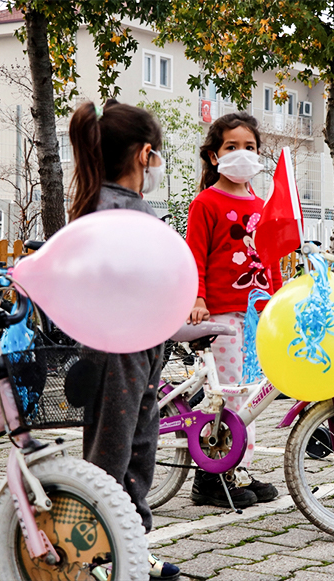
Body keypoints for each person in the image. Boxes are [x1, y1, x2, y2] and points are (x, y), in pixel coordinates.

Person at [69, 99, 180, 581]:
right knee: (110, 459)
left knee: (139, 449)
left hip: (143, 350)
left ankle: (128, 543)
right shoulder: (111, 210)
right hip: (117, 352)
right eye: (156, 155)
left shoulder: (124, 207)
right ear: (144, 154)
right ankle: (94, 552)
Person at [185, 112, 282, 508]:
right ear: (213, 156)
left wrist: (277, 300)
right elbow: (195, 254)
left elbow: (272, 259)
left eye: (250, 147)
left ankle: (237, 465)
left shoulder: (263, 206)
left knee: (252, 393)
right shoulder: (206, 202)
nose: (242, 154)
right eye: (231, 147)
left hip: (258, 314)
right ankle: (211, 475)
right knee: (228, 395)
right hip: (221, 315)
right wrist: (197, 299)